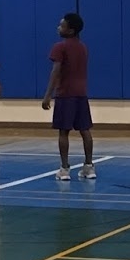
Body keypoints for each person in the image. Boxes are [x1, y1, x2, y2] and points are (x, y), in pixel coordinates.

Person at [42, 12, 95, 181]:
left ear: (71, 30)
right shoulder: (83, 47)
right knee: (85, 131)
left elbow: (55, 71)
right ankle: (89, 166)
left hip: (65, 94)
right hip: (81, 94)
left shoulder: (60, 47)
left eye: (62, 25)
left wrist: (47, 95)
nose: (58, 27)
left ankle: (64, 169)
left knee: (63, 132)